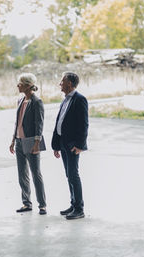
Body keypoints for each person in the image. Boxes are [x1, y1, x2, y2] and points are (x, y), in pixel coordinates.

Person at [51, 71, 88, 220]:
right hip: (63, 143)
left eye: (62, 81)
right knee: (69, 175)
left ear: (70, 83)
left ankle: (79, 209)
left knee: (73, 175)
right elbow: (60, 121)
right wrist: (56, 145)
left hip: (73, 145)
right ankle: (73, 204)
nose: (60, 83)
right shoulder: (65, 100)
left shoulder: (80, 99)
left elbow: (83, 124)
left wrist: (80, 145)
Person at [9, 73, 47, 215]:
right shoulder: (20, 100)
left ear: (28, 85)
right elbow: (17, 122)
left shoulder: (37, 102)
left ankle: (42, 205)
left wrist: (37, 142)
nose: (18, 85)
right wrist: (13, 140)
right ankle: (26, 203)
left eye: (20, 83)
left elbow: (39, 124)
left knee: (36, 173)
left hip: (31, 142)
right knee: (22, 174)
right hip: (19, 141)